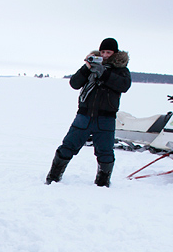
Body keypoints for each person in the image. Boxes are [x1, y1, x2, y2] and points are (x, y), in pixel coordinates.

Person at [45, 38, 131, 187]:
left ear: (114, 53)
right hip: (84, 116)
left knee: (105, 153)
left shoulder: (121, 71)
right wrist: (86, 67)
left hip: (106, 119)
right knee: (67, 146)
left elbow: (124, 86)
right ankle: (53, 177)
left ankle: (102, 182)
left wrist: (104, 74)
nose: (104, 55)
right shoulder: (90, 67)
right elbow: (74, 83)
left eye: (108, 52)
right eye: (102, 51)